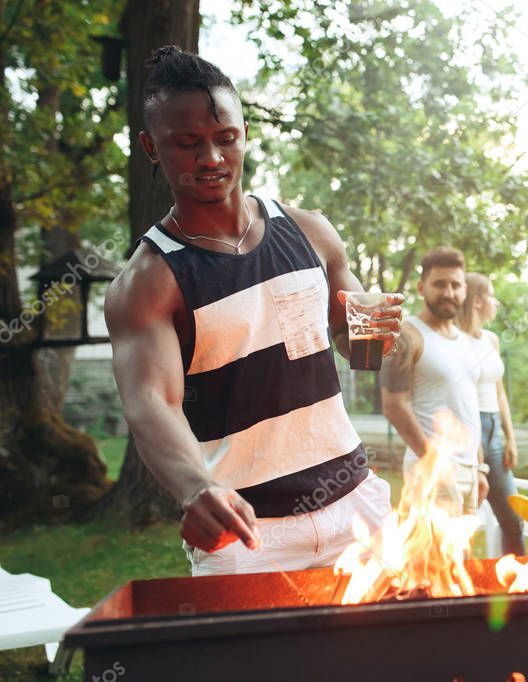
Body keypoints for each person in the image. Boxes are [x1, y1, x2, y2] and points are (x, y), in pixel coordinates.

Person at [104, 46, 402, 576]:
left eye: (226, 139)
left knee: (398, 660)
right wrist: (197, 488)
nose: (212, 159)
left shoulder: (310, 231)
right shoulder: (149, 282)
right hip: (244, 533)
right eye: (188, 144)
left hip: (358, 505)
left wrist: (375, 330)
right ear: (151, 147)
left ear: (244, 133)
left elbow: (360, 354)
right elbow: (151, 402)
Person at [381, 247, 489, 515]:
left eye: (455, 285)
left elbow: (468, 408)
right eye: (439, 284)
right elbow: (394, 406)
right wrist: (432, 462)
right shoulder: (407, 336)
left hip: (469, 471)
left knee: (462, 556)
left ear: (465, 289)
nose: (448, 293)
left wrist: (480, 468)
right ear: (421, 287)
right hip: (430, 470)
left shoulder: (466, 341)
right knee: (431, 557)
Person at [456, 272, 526, 555]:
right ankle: (463, 590)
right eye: (492, 296)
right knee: (466, 521)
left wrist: (511, 438)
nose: (496, 303)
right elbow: (464, 398)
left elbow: (499, 394)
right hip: (467, 429)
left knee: (513, 518)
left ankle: (518, 587)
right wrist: (478, 455)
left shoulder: (492, 340)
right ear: (476, 301)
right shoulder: (454, 340)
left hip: (493, 428)